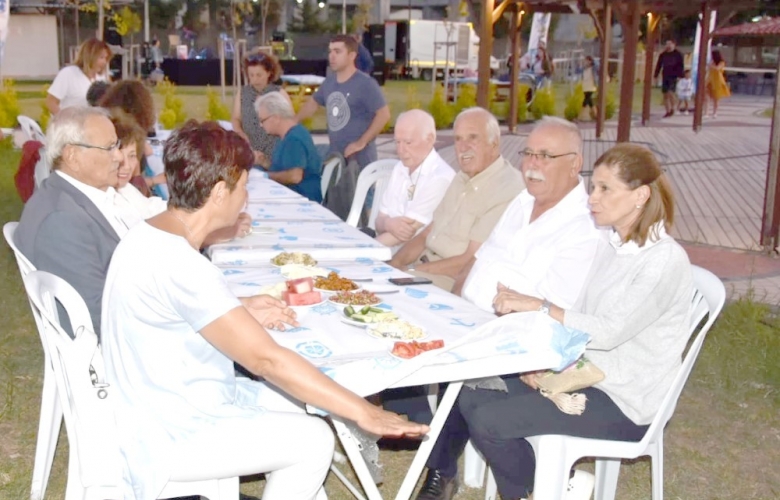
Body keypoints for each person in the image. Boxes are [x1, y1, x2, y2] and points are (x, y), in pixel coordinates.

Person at [100, 120, 428, 499]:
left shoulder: (149, 234)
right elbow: (266, 360)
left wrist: (239, 306)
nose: (246, 198)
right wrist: (363, 411)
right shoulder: (183, 264)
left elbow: (172, 307)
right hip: (169, 427)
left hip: (154, 399)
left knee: (301, 402)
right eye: (244, 187)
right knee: (315, 439)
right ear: (220, 192)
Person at [421, 143, 693, 500]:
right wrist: (546, 367)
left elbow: (608, 331)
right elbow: (579, 320)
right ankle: (558, 486)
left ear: (640, 195)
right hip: (587, 372)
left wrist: (538, 306)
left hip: (624, 398)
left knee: (491, 421)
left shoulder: (662, 259)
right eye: (592, 186)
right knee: (473, 391)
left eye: (605, 189)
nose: (592, 197)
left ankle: (535, 490)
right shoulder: (613, 245)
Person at [15, 106, 124, 336]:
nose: (119, 156)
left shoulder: (74, 197)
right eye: (109, 148)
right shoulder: (61, 220)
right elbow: (98, 316)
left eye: (118, 145)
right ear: (72, 156)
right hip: (117, 348)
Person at [389, 108, 525, 292]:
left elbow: (470, 261)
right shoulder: (461, 177)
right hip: (423, 267)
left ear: (494, 143)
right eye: (458, 139)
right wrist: (393, 264)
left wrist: (409, 270)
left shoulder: (507, 188)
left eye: (472, 138)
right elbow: (426, 234)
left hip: (452, 282)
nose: (463, 146)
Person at [297, 34, 391, 219]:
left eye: (338, 51)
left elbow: (384, 114)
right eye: (330, 51)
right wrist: (292, 121)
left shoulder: (365, 84)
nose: (332, 56)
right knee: (340, 210)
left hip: (360, 162)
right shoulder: (330, 82)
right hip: (337, 160)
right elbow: (314, 103)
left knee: (365, 211)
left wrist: (361, 142)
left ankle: (372, 241)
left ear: (352, 55)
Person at [374, 109, 455, 248]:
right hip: (384, 247)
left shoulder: (440, 178)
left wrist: (361, 252)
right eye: (397, 142)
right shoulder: (400, 167)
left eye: (408, 142)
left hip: (410, 257)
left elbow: (404, 234)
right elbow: (378, 222)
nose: (401, 150)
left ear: (430, 139)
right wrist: (389, 224)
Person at [253, 92, 323, 203]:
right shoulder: (291, 135)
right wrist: (265, 163)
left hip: (302, 199)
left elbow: (294, 176)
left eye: (262, 120)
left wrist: (264, 176)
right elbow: (287, 168)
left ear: (275, 117)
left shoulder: (293, 139)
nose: (261, 125)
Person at [231, 51, 290, 167]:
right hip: (250, 152)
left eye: (259, 75)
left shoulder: (279, 93)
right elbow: (236, 118)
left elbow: (290, 123)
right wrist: (240, 134)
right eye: (251, 75)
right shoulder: (243, 93)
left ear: (269, 73)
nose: (254, 80)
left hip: (275, 151)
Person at [46, 38, 112, 114]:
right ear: (90, 56)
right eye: (101, 57)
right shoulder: (68, 73)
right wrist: (65, 120)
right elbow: (51, 102)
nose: (104, 62)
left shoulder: (103, 78)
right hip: (71, 122)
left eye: (106, 58)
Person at [654, 40, 685, 118]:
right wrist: (655, 75)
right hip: (665, 75)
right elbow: (659, 65)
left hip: (674, 76)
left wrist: (680, 76)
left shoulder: (678, 54)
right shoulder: (663, 55)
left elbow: (681, 66)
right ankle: (668, 111)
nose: (668, 46)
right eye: (667, 44)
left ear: (674, 44)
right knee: (665, 94)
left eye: (670, 44)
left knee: (671, 92)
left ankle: (673, 107)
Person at [705, 50, 730, 119]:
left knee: (716, 98)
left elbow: (717, 69)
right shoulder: (711, 62)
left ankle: (715, 113)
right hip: (710, 81)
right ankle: (706, 112)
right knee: (707, 98)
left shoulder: (721, 62)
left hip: (717, 81)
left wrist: (711, 66)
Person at [580, 56, 598, 120]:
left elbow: (597, 68)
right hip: (585, 86)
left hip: (591, 86)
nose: (585, 62)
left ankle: (580, 116)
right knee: (590, 102)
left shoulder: (593, 68)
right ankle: (596, 115)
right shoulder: (584, 69)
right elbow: (578, 71)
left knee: (585, 101)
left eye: (586, 61)